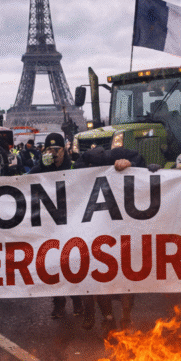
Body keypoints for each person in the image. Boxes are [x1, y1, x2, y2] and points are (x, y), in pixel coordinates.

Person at [71, 145, 152, 331]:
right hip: (98, 229)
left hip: (122, 227)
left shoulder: (119, 155)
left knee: (126, 275)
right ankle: (108, 317)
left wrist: (131, 164)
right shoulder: (83, 165)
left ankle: (125, 317)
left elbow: (141, 162)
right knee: (100, 275)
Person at [28, 132, 78, 320]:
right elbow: (19, 183)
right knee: (54, 264)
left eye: (56, 149)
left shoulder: (75, 168)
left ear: (64, 150)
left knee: (73, 263)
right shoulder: (39, 170)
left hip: (71, 223)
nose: (53, 153)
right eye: (49, 149)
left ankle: (77, 299)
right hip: (50, 225)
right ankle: (58, 303)